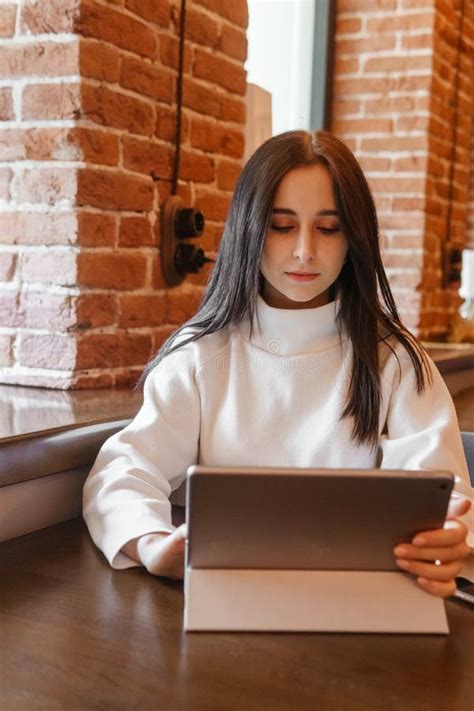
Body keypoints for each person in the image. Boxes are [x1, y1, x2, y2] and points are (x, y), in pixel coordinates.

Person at [83, 130, 473, 595]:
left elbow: (443, 494)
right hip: (228, 597)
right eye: (282, 225)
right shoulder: (201, 355)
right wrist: (150, 543)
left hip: (364, 600)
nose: (305, 250)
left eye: (329, 228)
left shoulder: (395, 361)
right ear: (250, 229)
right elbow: (124, 468)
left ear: (355, 238)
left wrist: (453, 541)